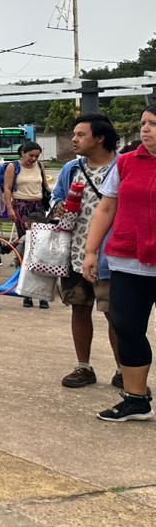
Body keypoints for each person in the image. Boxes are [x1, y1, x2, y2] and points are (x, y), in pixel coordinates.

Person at [83, 100, 156, 423]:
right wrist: (91, 250)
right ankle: (136, 399)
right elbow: (107, 208)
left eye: (152, 124)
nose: (145, 129)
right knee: (126, 327)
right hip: (128, 260)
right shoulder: (127, 163)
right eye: (143, 123)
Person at [53, 114, 121, 389]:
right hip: (75, 254)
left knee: (116, 315)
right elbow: (57, 196)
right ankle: (84, 367)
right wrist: (59, 205)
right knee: (79, 309)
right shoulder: (71, 169)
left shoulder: (121, 167)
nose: (74, 139)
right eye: (74, 134)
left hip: (112, 257)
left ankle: (124, 370)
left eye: (81, 134)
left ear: (100, 138)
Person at [3, 141, 51, 308]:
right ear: (22, 153)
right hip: (21, 207)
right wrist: (9, 208)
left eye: (36, 156)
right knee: (27, 247)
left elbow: (45, 187)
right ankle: (25, 289)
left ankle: (40, 290)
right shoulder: (13, 167)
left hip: (38, 208)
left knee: (40, 248)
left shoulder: (40, 166)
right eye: (31, 155)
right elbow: (7, 189)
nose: (33, 159)